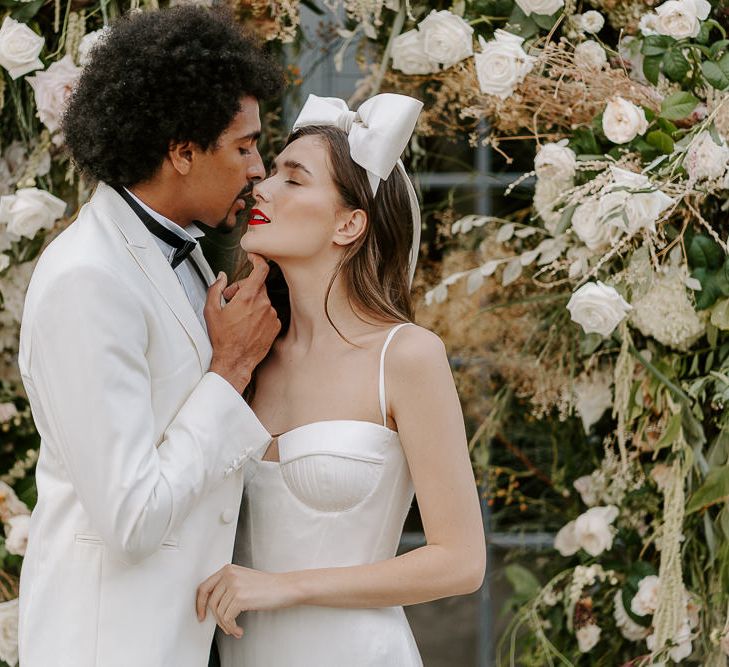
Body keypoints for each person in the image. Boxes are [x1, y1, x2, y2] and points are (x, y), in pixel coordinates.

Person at [17, 7, 283, 666]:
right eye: (244, 145)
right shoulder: (88, 277)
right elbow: (131, 517)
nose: (258, 168)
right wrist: (228, 373)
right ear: (182, 150)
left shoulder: (186, 253)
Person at [196, 94, 487, 666]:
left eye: (293, 179)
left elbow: (461, 561)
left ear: (350, 223)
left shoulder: (406, 357)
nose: (262, 188)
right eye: (271, 172)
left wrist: (286, 586)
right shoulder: (245, 357)